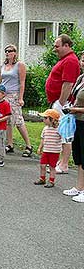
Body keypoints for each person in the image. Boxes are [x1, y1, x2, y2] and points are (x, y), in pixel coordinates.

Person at [45, 34, 80, 174]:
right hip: (58, 101)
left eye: (57, 46)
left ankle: (64, 164)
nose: (55, 49)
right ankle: (61, 161)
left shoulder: (70, 61)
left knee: (64, 133)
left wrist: (60, 103)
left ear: (66, 46)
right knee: (60, 132)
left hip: (62, 102)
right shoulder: (65, 59)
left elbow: (68, 84)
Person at [0, 44, 33, 157]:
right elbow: (0, 82)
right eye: (6, 51)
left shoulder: (19, 65)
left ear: (15, 53)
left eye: (10, 51)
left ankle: (28, 145)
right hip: (4, 95)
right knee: (7, 120)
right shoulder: (2, 66)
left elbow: (22, 82)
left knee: (18, 120)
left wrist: (21, 97)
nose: (8, 53)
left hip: (14, 95)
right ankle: (10, 144)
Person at [62, 51, 84, 201]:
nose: (83, 62)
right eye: (83, 59)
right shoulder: (81, 78)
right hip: (78, 121)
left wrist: (74, 109)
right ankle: (79, 187)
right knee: (79, 157)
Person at [34, 109, 62, 188]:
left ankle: (51, 181)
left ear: (52, 119)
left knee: (52, 167)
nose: (43, 120)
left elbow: (63, 140)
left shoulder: (59, 129)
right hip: (46, 151)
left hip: (54, 152)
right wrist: (40, 148)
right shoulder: (45, 129)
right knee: (42, 165)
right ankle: (42, 178)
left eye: (45, 118)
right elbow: (43, 139)